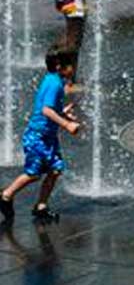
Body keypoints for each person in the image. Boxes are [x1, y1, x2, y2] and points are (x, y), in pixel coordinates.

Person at [0, 48, 80, 223]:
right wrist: (67, 124)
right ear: (60, 66)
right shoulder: (54, 84)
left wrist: (64, 113)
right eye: (71, 65)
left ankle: (41, 206)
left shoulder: (54, 80)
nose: (73, 68)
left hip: (47, 137)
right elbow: (46, 110)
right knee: (34, 173)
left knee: (55, 170)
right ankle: (6, 195)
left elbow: (49, 108)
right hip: (37, 136)